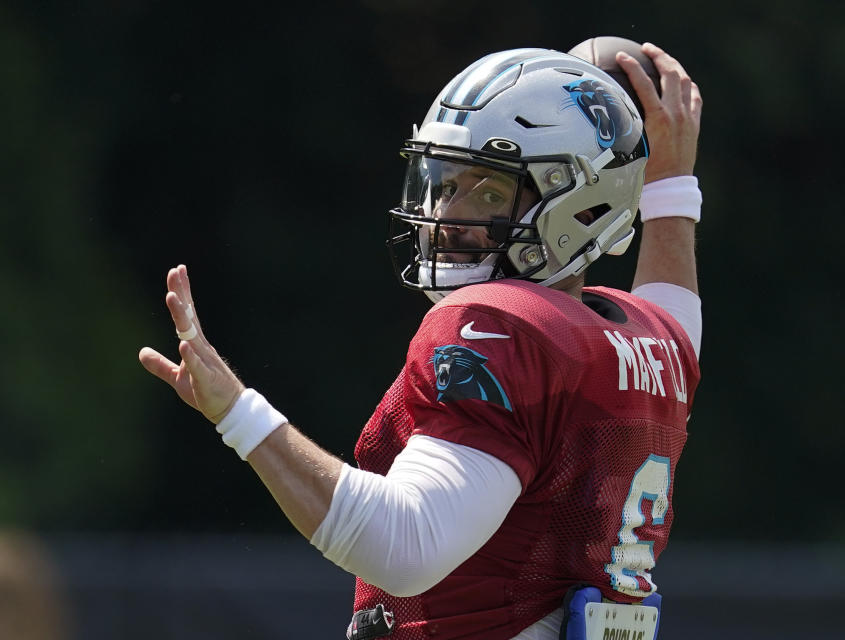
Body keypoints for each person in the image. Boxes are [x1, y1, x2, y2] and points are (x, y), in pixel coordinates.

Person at [139, 41, 703, 640]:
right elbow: (675, 311)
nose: (448, 213)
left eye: (488, 193)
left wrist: (239, 415)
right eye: (446, 183)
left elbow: (406, 546)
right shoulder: (655, 343)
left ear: (580, 203)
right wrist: (669, 186)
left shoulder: (503, 325)